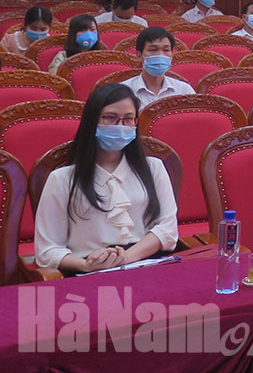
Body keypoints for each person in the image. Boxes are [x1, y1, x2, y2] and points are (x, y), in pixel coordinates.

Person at [33, 83, 178, 273]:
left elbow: (168, 230)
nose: (120, 126)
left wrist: (126, 257)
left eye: (128, 119)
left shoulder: (153, 168)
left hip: (144, 262)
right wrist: (86, 265)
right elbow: (47, 251)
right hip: (88, 268)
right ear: (92, 121)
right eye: (110, 118)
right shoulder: (62, 179)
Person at [120, 26, 195, 109]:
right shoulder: (123, 91)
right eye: (153, 50)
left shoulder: (184, 90)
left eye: (166, 50)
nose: (160, 55)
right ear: (139, 55)